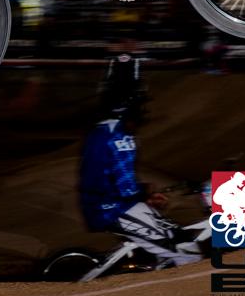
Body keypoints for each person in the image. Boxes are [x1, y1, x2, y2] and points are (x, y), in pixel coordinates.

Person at [79, 73, 201, 267]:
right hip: (111, 208)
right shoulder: (117, 137)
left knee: (178, 239)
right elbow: (121, 186)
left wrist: (142, 192)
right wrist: (142, 192)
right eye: (138, 104)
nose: (142, 111)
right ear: (125, 106)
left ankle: (163, 271)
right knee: (184, 248)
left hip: (114, 204)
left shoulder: (109, 132)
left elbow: (114, 177)